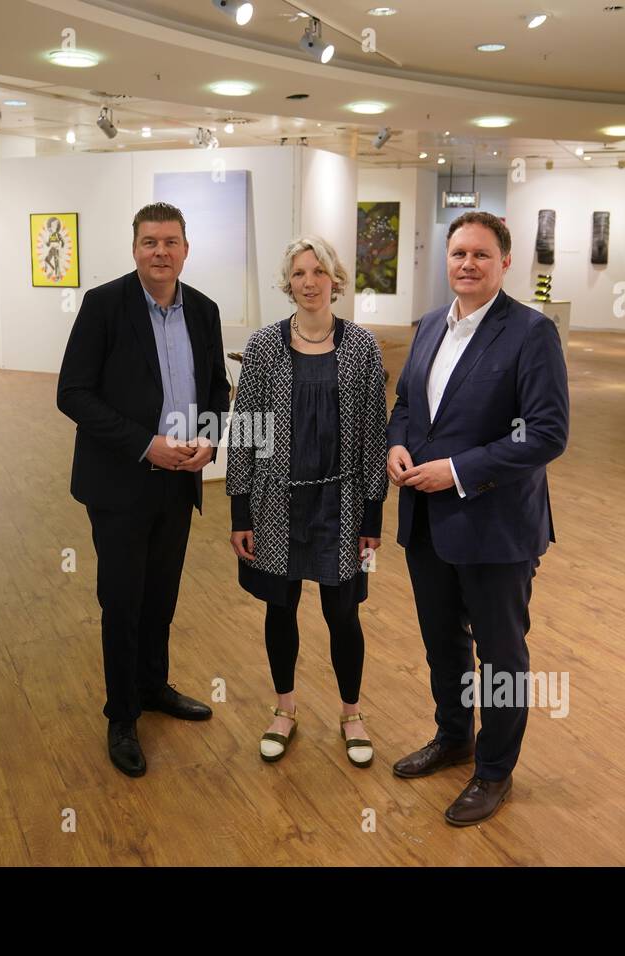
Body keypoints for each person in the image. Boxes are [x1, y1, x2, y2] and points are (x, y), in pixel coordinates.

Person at [386, 211, 569, 824]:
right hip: (427, 522)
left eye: (481, 255)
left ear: (504, 263)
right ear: (446, 257)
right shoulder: (430, 326)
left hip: (495, 528)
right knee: (443, 644)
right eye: (458, 253)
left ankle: (494, 771)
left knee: (501, 656)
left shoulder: (531, 332)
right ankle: (454, 737)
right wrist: (396, 443)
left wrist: (458, 471)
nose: (467, 264)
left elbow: (547, 433)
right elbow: (409, 402)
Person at [56, 202, 230, 778]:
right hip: (121, 483)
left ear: (186, 249)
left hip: (179, 484)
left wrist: (208, 440)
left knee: (161, 597)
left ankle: (154, 687)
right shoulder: (104, 305)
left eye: (171, 242)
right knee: (122, 601)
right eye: (150, 242)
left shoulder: (203, 310)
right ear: (135, 248)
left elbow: (216, 389)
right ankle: (122, 713)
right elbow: (73, 393)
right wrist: (144, 443)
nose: (161, 252)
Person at [226, 236, 389, 767]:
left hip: (341, 508)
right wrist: (240, 511)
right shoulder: (265, 346)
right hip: (277, 505)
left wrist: (372, 516)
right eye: (299, 273)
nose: (310, 282)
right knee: (281, 608)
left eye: (319, 271)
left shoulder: (362, 348)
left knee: (344, 614)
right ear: (288, 283)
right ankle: (284, 709)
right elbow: (246, 433)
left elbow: (372, 437)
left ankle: (352, 713)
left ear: (335, 279)